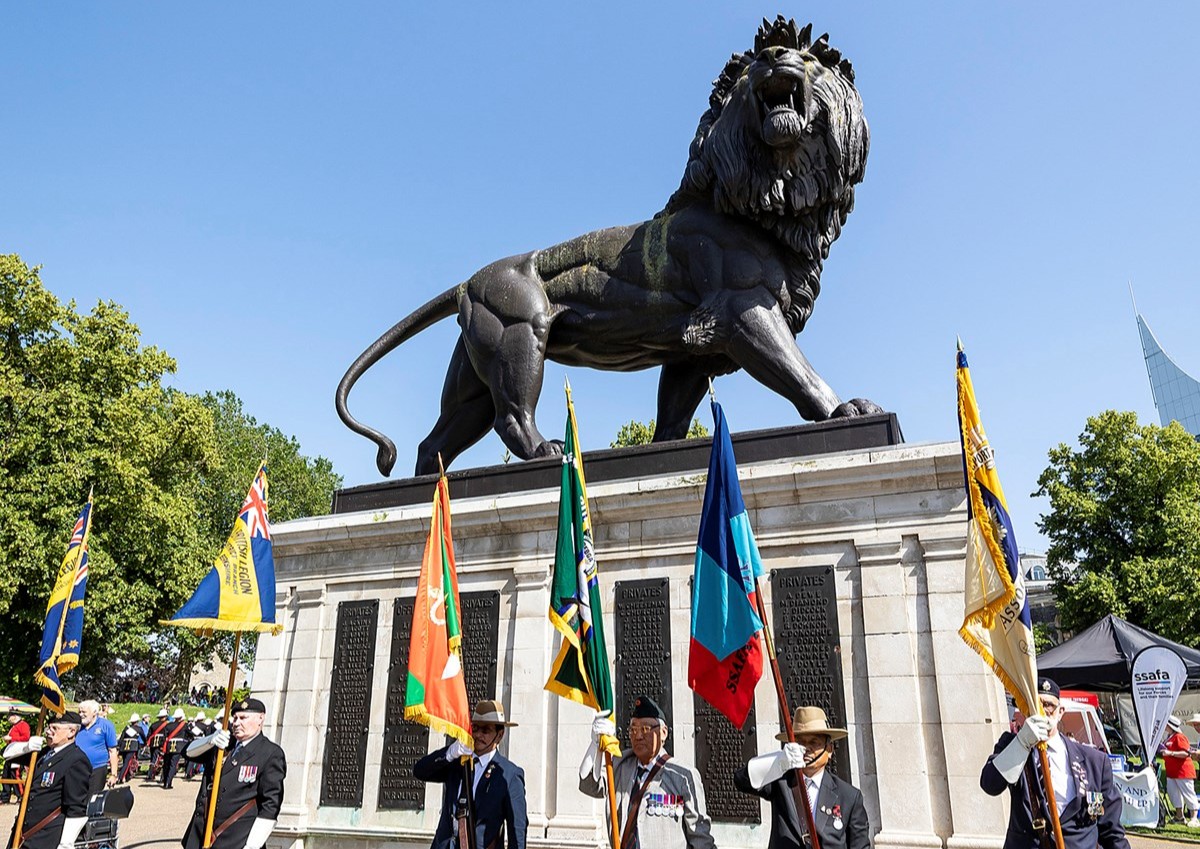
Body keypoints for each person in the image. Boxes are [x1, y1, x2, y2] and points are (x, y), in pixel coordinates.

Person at [981, 678, 1129, 849]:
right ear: (1022, 710)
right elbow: (990, 784)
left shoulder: (1094, 761)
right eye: (1035, 706)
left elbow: (1111, 831)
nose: (1042, 712)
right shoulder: (1012, 747)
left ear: (1061, 712)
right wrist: (1022, 743)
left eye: (1049, 705)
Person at [579, 695, 714, 849]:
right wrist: (595, 743)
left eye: (645, 729)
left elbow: (701, 838)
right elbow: (589, 785)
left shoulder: (683, 776)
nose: (638, 736)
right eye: (633, 729)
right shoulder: (620, 766)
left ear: (663, 733)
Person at [734, 705, 870, 849]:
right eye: (800, 743)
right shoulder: (781, 782)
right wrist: (779, 761)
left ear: (829, 750)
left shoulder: (849, 796)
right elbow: (741, 780)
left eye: (814, 742)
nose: (806, 749)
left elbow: (860, 846)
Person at [413, 699, 528, 849]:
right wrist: (449, 753)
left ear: (499, 735)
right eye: (475, 728)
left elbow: (517, 831)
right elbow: (420, 771)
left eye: (486, 730)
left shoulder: (509, 775)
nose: (478, 735)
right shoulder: (457, 762)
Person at [182, 697, 285, 849]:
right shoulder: (224, 744)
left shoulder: (269, 753)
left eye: (243, 718)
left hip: (235, 840)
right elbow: (188, 753)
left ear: (260, 718)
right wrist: (210, 740)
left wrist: (251, 846)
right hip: (201, 836)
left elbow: (270, 805)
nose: (236, 723)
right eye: (235, 718)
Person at [2, 711, 92, 849]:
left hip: (47, 836)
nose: (48, 732)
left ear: (71, 732)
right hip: (23, 833)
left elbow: (76, 807)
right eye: (49, 727)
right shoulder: (44, 753)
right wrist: (27, 746)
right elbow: (7, 754)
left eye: (54, 729)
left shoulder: (76, 760)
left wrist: (65, 844)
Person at [76, 699, 119, 793]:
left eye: (84, 712)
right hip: (77, 769)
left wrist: (113, 774)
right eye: (79, 711)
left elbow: (112, 751)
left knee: (92, 798)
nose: (80, 714)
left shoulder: (106, 725)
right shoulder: (77, 726)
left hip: (97, 769)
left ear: (94, 712)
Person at [1163, 715, 1199, 826]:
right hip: (1172, 771)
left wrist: (1171, 753)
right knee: (1174, 794)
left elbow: (1186, 753)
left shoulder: (1179, 737)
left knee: (1188, 793)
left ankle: (1194, 818)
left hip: (1183, 771)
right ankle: (1179, 816)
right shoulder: (1169, 736)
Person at [1, 711, 32, 805]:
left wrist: (11, 738)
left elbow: (26, 737)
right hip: (11, 754)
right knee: (5, 776)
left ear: (14, 716)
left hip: (18, 754)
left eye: (9, 717)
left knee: (16, 776)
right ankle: (5, 797)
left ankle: (21, 795)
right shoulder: (15, 726)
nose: (8, 719)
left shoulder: (23, 725)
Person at [161, 707, 191, 789]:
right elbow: (190, 734)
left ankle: (164, 781)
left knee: (167, 764)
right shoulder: (185, 725)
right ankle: (168, 783)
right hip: (178, 747)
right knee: (173, 765)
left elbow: (164, 736)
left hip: (169, 746)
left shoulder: (168, 725)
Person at [118, 713, 148, 783]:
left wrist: (119, 746)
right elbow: (143, 737)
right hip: (132, 746)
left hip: (124, 746)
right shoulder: (139, 729)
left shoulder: (127, 727)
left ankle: (127, 777)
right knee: (127, 762)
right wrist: (144, 744)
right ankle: (120, 777)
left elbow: (122, 737)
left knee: (125, 762)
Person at [147, 708, 171, 781]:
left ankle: (150, 774)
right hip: (161, 743)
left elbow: (149, 735)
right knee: (162, 760)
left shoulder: (153, 724)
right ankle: (159, 776)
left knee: (153, 759)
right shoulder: (167, 725)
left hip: (152, 744)